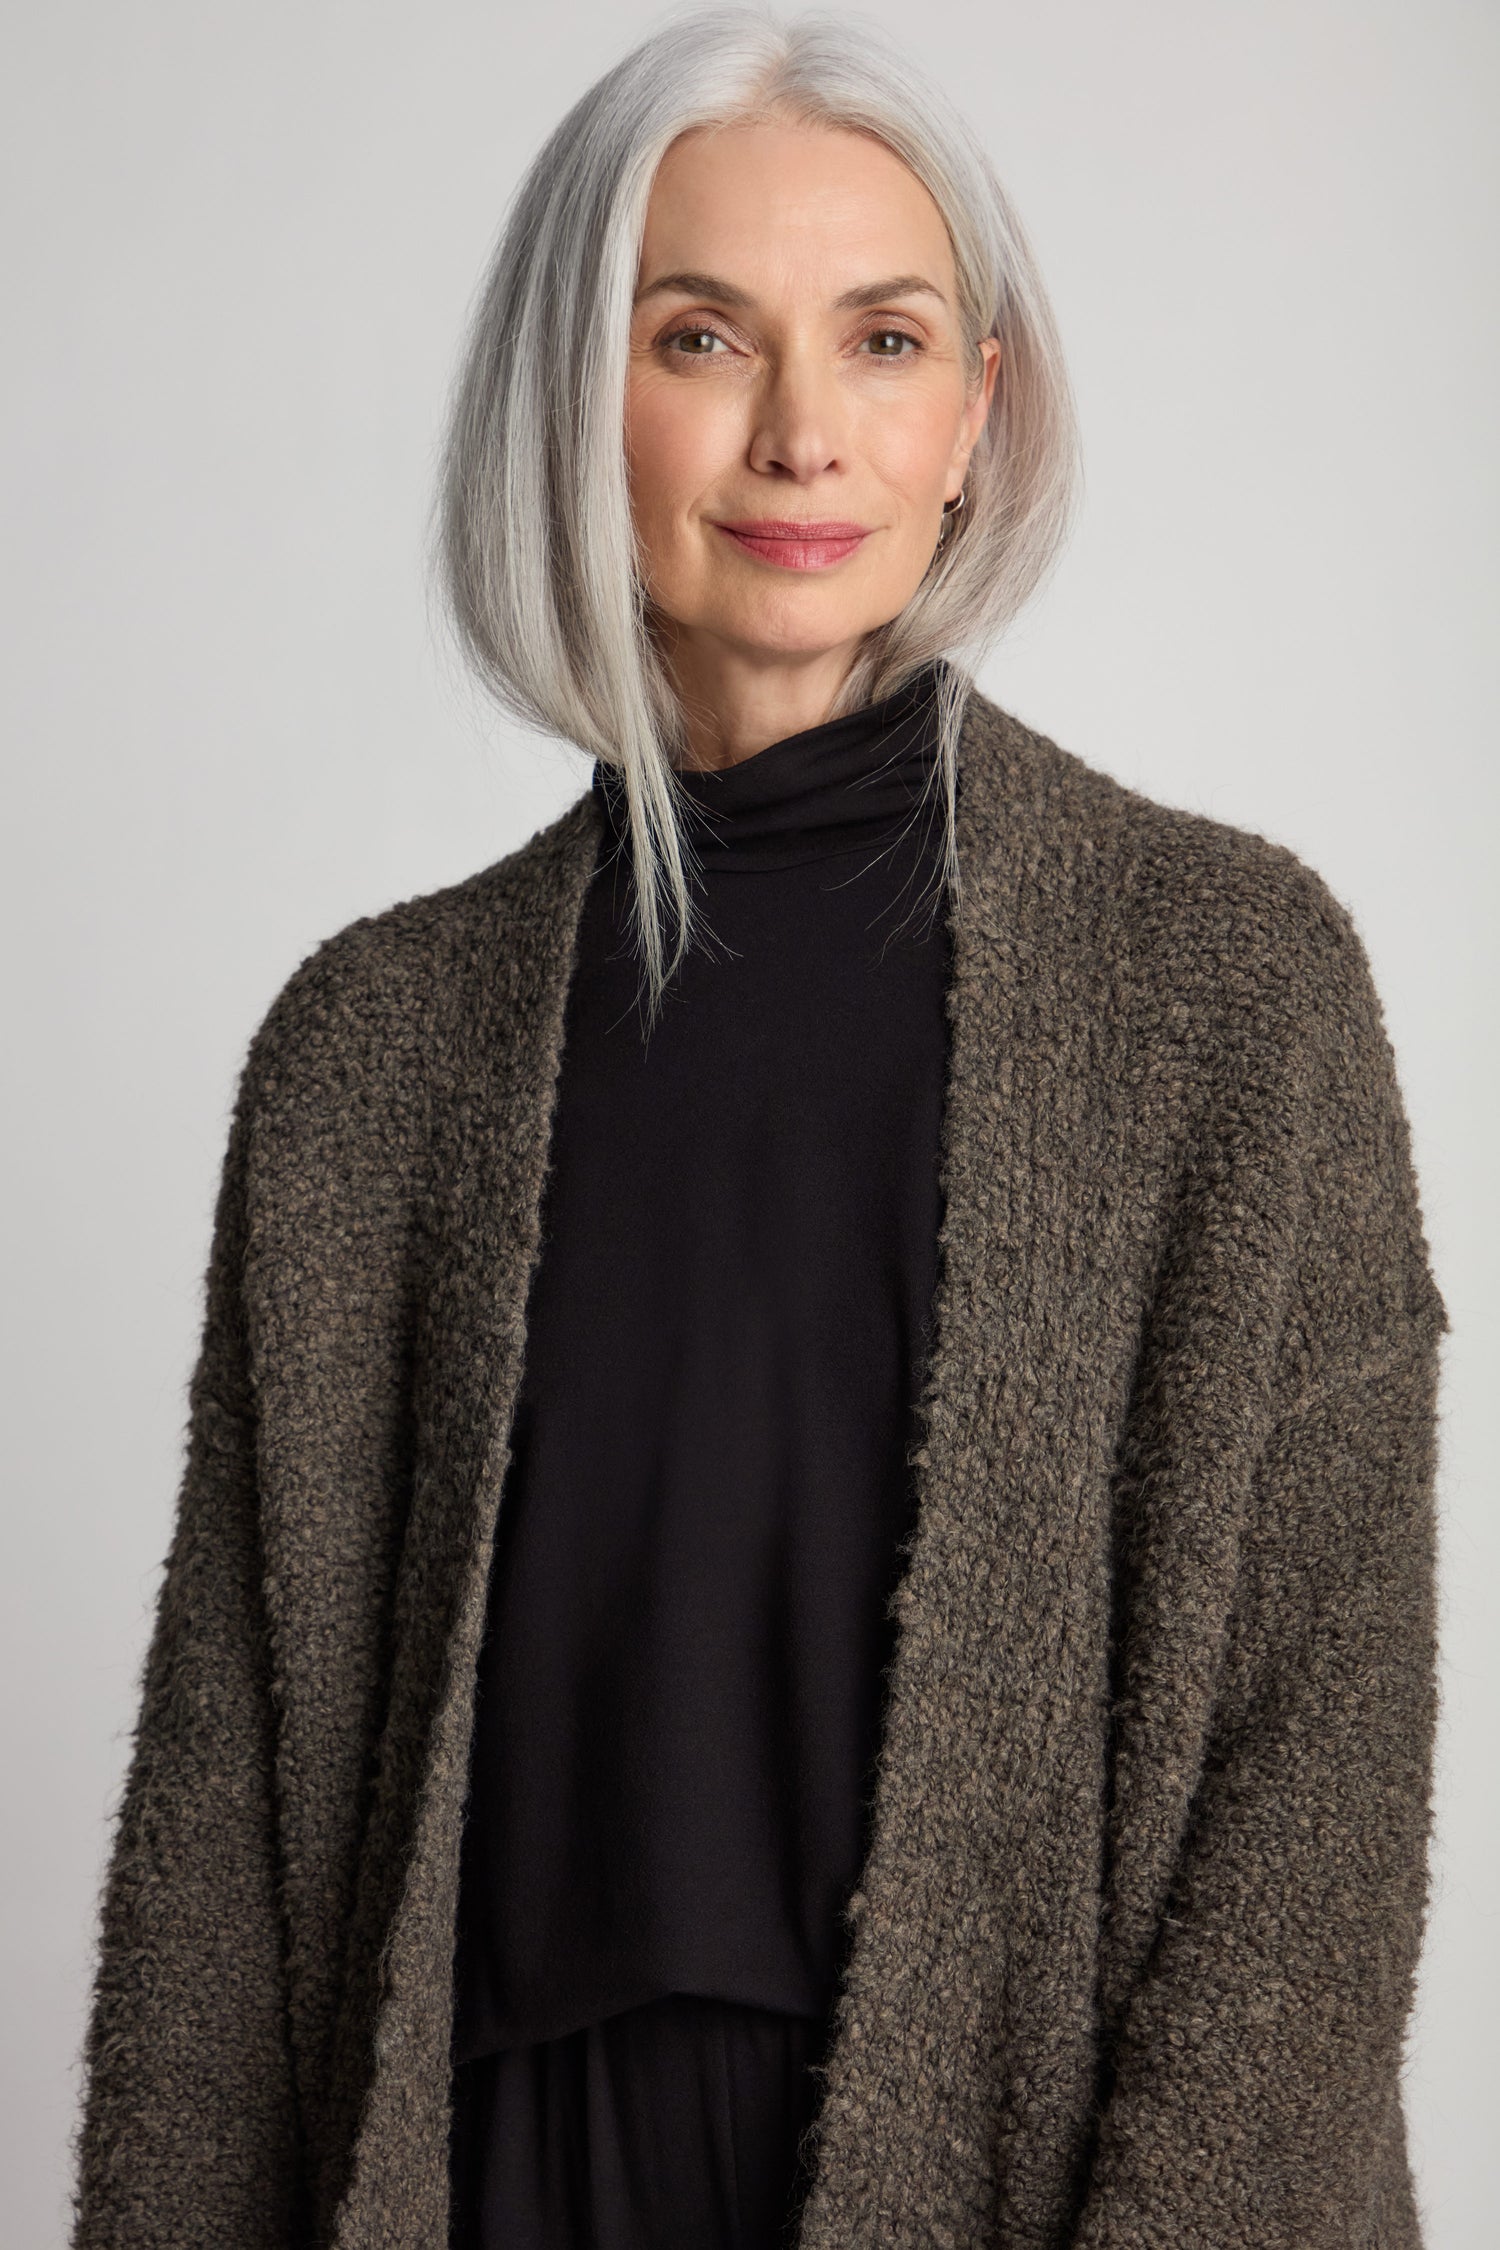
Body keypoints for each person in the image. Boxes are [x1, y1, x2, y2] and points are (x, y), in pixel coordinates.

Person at [70, 11, 1450, 2250]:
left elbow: (1312, 1800)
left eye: (884, 339)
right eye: (700, 336)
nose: (804, 432)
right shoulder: (370, 1058)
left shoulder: (1228, 989)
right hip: (492, 2177)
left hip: (1028, 2183)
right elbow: (225, 1863)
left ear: (975, 416)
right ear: (570, 395)